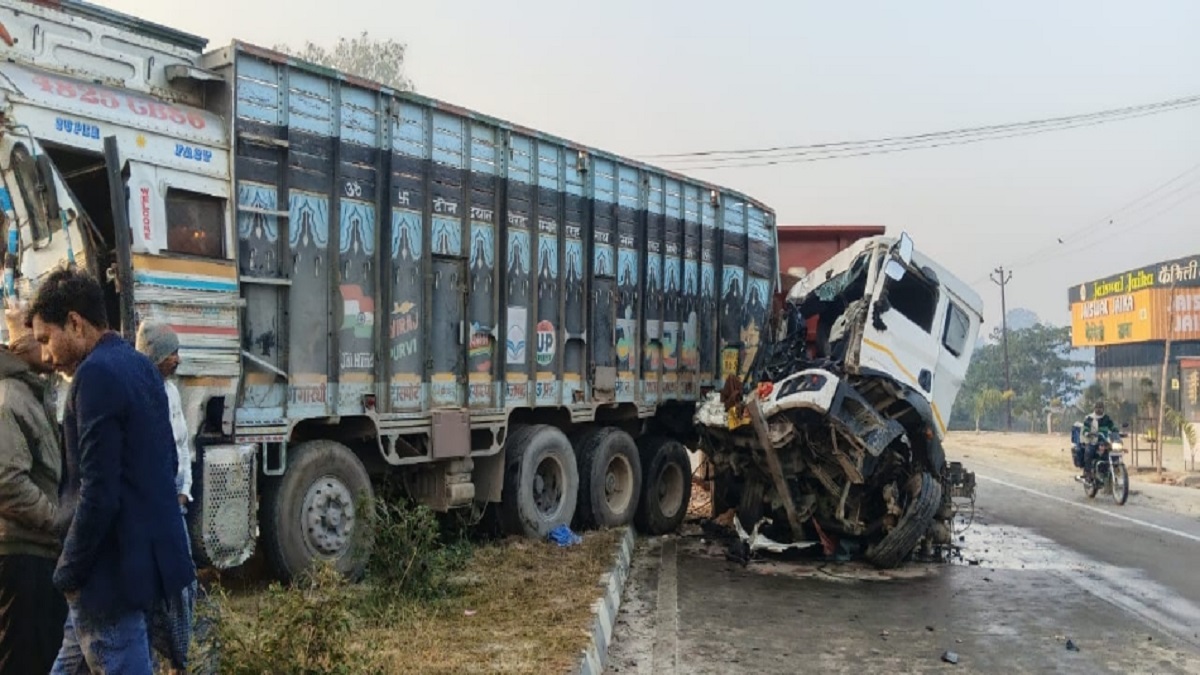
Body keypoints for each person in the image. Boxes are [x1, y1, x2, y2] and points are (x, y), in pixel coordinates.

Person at [25, 268, 195, 675]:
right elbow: (168, 464)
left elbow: (97, 493)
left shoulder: (94, 376)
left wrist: (70, 571)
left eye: (47, 339)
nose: (46, 356)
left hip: (108, 578)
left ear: (75, 323)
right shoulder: (141, 367)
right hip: (139, 570)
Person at [0, 317, 67, 675]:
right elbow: (8, 483)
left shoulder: (32, 393)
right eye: (41, 338)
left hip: (36, 550)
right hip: (22, 553)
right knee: (23, 660)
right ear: (24, 349)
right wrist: (56, 521)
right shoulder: (10, 397)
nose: (50, 347)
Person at [135, 321, 196, 674]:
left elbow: (181, 447)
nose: (177, 359)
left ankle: (179, 660)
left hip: (177, 507)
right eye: (171, 352)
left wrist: (184, 493)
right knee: (161, 595)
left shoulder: (171, 392)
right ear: (155, 355)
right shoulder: (140, 393)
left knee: (183, 589)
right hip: (157, 512)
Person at [1081, 401, 1117, 481]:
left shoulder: (1106, 418)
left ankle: (1111, 472)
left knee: (1113, 453)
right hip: (1093, 441)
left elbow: (1112, 427)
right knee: (1089, 452)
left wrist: (1117, 431)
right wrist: (1087, 433)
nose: (1099, 409)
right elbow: (1085, 428)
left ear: (1103, 409)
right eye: (1097, 408)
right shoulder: (1089, 418)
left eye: (1100, 408)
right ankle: (1088, 472)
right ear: (1094, 408)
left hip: (1104, 441)